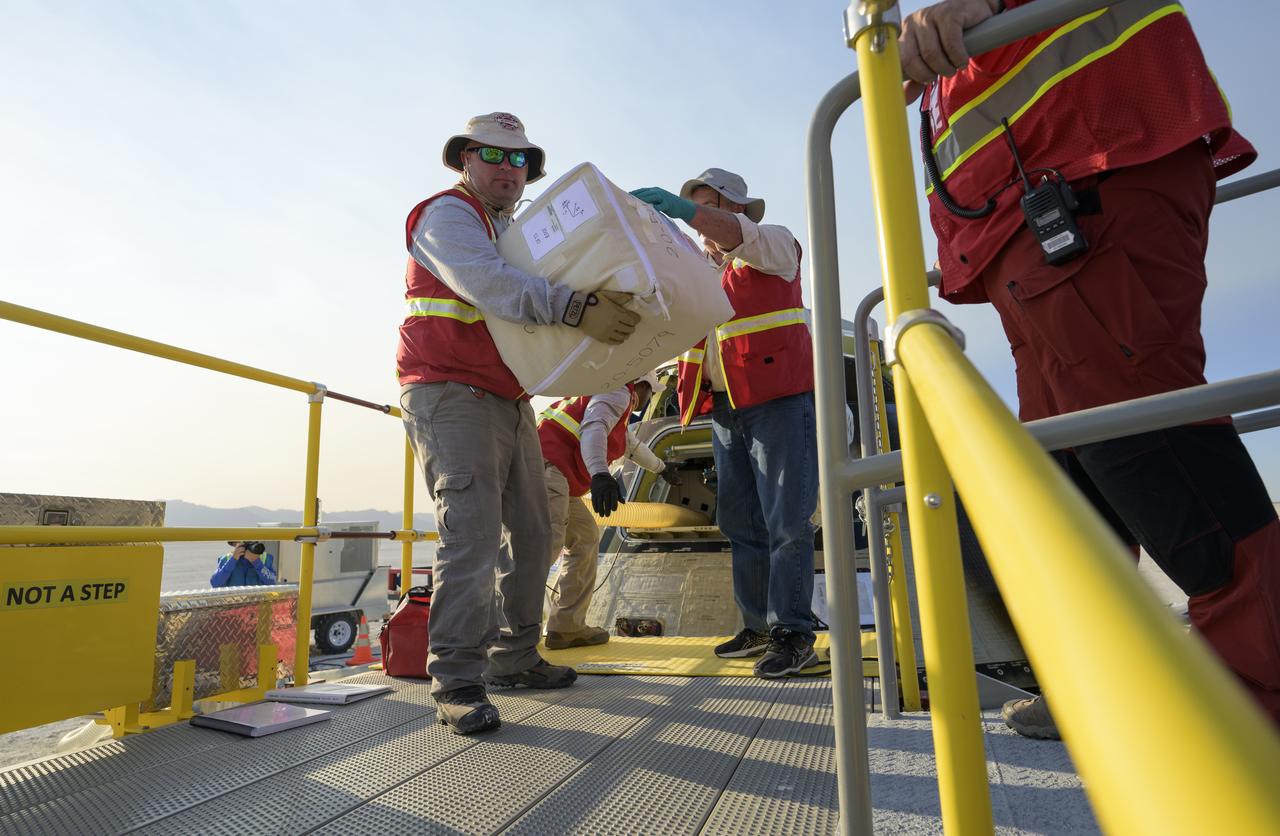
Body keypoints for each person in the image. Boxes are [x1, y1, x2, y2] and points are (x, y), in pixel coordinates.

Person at [899, 0, 1279, 735]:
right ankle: (1099, 679)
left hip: (1083, 189)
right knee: (1070, 470)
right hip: (1035, 221)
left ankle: (1256, 696)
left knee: (1150, 448)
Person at [397, 112, 641, 735]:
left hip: (509, 399)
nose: (507, 170)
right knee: (473, 536)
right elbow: (491, 285)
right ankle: (455, 679)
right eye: (492, 156)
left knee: (535, 535)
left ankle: (514, 656)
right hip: (448, 391)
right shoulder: (448, 216)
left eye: (518, 161)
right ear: (464, 160)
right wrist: (577, 305)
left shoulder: (515, 232)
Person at [632, 170, 821, 679]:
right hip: (726, 411)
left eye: (705, 208)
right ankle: (758, 627)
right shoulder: (706, 277)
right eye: (691, 210)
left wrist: (682, 209)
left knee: (786, 522)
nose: (697, 223)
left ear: (734, 208)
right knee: (742, 525)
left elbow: (748, 240)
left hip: (778, 401)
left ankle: (794, 634)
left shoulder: (777, 246)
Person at [538, 371, 681, 649]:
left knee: (586, 536)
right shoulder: (617, 390)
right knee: (543, 548)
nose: (649, 398)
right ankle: (512, 635)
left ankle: (567, 627)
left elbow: (631, 446)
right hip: (546, 472)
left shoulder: (607, 398)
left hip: (556, 477)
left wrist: (663, 469)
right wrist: (600, 474)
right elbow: (594, 429)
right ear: (641, 386)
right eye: (651, 392)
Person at [210, 542, 277, 588]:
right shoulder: (226, 559)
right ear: (235, 544)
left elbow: (272, 582)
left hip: (257, 606)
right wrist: (233, 560)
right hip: (234, 606)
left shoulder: (265, 558)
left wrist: (256, 562)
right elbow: (215, 583)